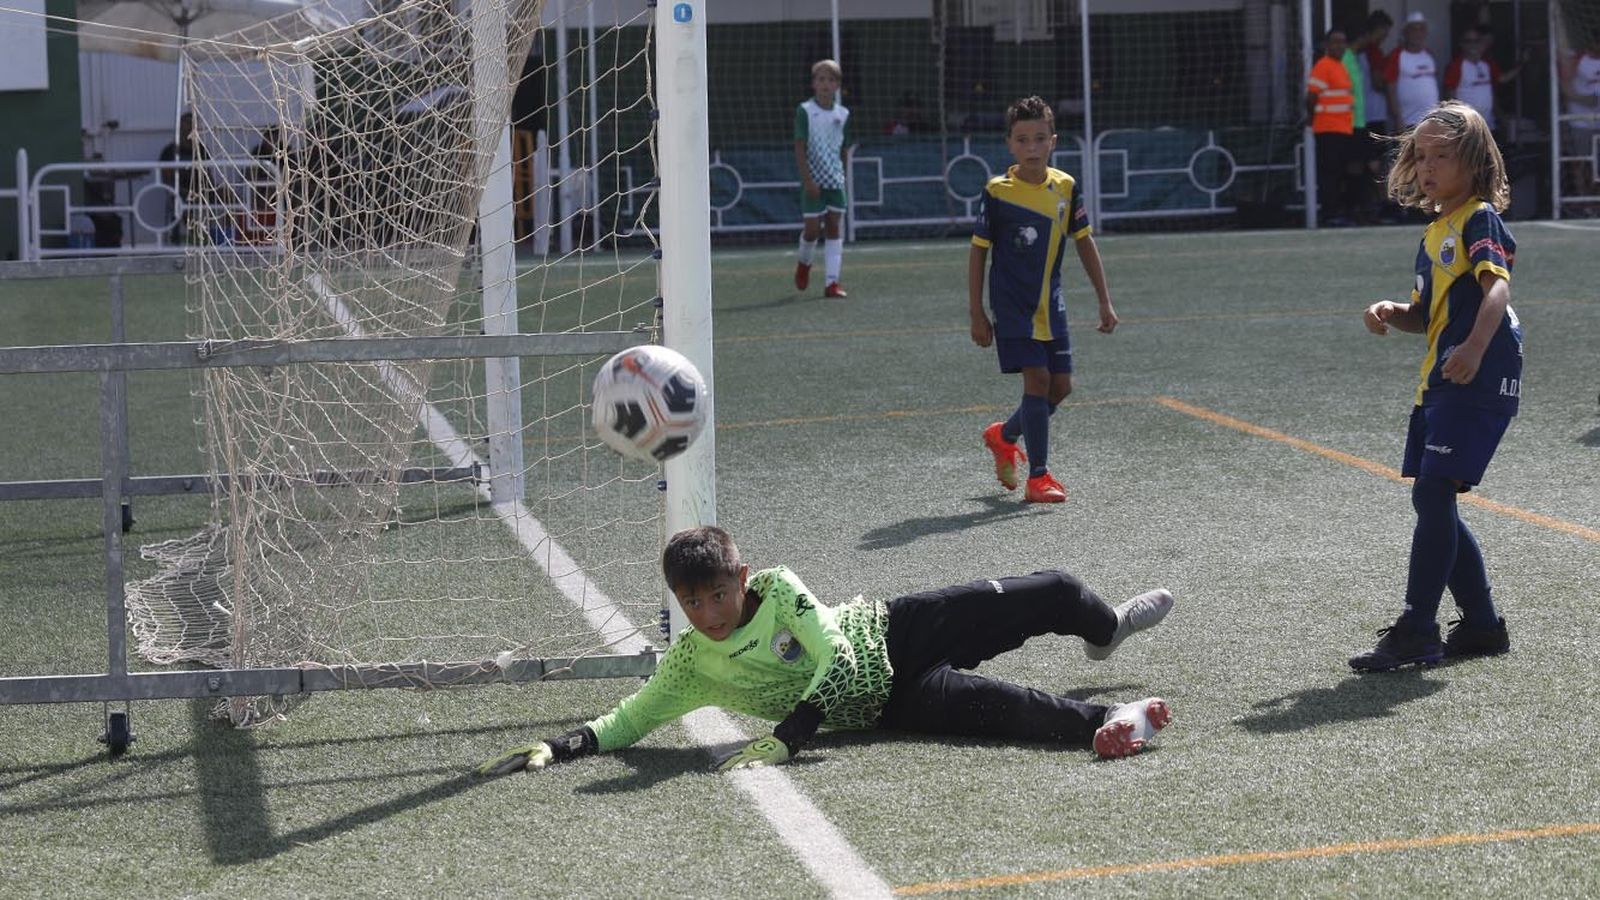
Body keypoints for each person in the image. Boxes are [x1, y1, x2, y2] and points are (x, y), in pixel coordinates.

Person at [478, 526, 1176, 776]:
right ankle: (1115, 720)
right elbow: (630, 721)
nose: (707, 614)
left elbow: (837, 652)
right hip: (893, 706)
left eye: (716, 595)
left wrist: (791, 735)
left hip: (897, 630)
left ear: (741, 580)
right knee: (1015, 714)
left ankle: (1107, 631)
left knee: (1052, 589)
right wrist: (562, 744)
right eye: (691, 604)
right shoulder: (693, 663)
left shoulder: (780, 590)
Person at [1351, 101, 1521, 673]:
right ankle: (1479, 626)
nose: (1426, 167)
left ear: (1472, 162)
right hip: (1441, 379)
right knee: (1434, 496)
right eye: (1420, 156)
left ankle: (1419, 628)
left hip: (1476, 374)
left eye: (1441, 156)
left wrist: (1474, 348)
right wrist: (1392, 310)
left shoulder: (1478, 219)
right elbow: (1429, 314)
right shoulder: (1433, 233)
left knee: (1433, 493)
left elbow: (1496, 289)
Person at [969, 96, 1116, 505]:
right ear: (1010, 145)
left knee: (1061, 387)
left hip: (1052, 304)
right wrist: (977, 311)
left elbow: (1085, 243)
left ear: (1052, 141)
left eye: (1039, 138)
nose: (1031, 147)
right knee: (1037, 380)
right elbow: (978, 250)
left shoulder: (1066, 186)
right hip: (1012, 304)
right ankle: (1039, 476)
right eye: (1022, 139)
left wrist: (1104, 300)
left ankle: (1004, 435)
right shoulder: (997, 192)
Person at [793, 59, 851, 298]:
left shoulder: (843, 113)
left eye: (830, 79)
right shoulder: (805, 111)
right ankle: (804, 263)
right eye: (821, 79)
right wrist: (807, 180)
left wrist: (842, 174)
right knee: (812, 230)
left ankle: (832, 282)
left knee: (834, 227)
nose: (825, 84)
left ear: (837, 85)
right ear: (813, 84)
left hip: (834, 181)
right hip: (813, 181)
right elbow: (799, 146)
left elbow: (844, 148)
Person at [1308, 28, 1357, 226]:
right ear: (1327, 45)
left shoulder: (1339, 66)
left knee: (1338, 173)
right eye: (1335, 42)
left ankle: (1337, 211)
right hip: (1328, 127)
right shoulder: (1323, 65)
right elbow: (1311, 96)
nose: (1339, 46)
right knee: (1330, 173)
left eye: (1342, 41)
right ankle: (1329, 214)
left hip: (1342, 128)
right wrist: (1313, 117)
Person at [1444, 27, 1525, 134]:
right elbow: (1449, 96)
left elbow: (1502, 79)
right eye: (1468, 41)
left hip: (1488, 125)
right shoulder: (1456, 66)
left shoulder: (1487, 64)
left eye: (1476, 41)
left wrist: (1522, 64)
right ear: (1461, 44)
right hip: (1467, 128)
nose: (1473, 45)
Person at [157, 111, 209, 243]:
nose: (188, 130)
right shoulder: (170, 151)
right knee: (181, 203)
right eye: (185, 127)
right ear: (179, 128)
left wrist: (205, 190)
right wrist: (184, 191)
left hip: (200, 190)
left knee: (228, 197)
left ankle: (223, 238)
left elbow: (207, 176)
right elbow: (167, 180)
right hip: (179, 192)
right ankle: (198, 238)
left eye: (191, 127)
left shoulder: (201, 150)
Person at [1385, 12, 1441, 131]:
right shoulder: (1397, 55)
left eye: (1421, 29)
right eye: (1414, 29)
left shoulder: (1429, 55)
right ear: (1405, 32)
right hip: (1407, 122)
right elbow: (1390, 89)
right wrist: (1398, 119)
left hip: (1430, 122)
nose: (1418, 33)